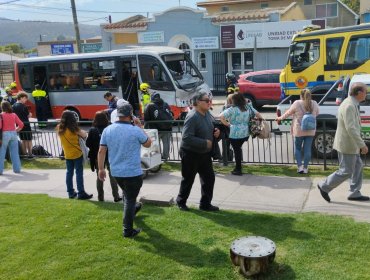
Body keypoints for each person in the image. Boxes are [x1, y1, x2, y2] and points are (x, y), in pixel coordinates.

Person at [98, 102, 152, 238]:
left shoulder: (107, 130)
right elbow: (148, 143)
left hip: (115, 172)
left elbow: (101, 150)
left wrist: (101, 169)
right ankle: (127, 229)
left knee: (128, 196)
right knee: (129, 199)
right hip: (133, 172)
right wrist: (140, 126)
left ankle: (133, 210)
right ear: (130, 115)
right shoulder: (135, 130)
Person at [317, 82, 369, 202]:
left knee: (358, 166)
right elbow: (351, 128)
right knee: (346, 171)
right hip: (348, 144)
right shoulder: (349, 105)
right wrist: (362, 145)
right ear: (359, 93)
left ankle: (354, 193)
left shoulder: (351, 103)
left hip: (350, 144)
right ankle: (324, 186)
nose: (366, 94)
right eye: (365, 91)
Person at [176, 92, 221, 212]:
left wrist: (217, 132)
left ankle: (205, 204)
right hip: (190, 153)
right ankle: (181, 202)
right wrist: (205, 143)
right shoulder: (192, 116)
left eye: (209, 100)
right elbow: (186, 137)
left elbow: (212, 127)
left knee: (209, 179)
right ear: (197, 102)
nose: (209, 102)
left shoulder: (207, 114)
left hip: (204, 154)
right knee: (188, 179)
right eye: (206, 100)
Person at [276, 89, 319, 174]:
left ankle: (300, 167)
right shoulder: (314, 103)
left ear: (301, 96)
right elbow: (317, 113)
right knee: (307, 150)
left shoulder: (297, 103)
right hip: (310, 130)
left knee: (298, 148)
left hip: (299, 130)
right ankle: (306, 168)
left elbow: (287, 113)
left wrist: (279, 118)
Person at [219, 93, 262, 175]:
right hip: (245, 132)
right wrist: (260, 122)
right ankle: (238, 168)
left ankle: (238, 169)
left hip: (234, 133)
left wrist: (227, 124)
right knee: (238, 149)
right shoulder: (248, 107)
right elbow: (258, 114)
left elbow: (221, 116)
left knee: (237, 150)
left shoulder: (232, 109)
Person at [86, 111, 122, 202]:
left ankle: (100, 197)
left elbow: (88, 143)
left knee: (99, 176)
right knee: (112, 175)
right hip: (110, 155)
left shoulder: (92, 130)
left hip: (97, 156)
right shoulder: (110, 128)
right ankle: (116, 196)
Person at [57, 110, 93, 200]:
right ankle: (81, 192)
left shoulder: (59, 128)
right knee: (79, 173)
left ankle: (70, 192)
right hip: (77, 153)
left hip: (67, 154)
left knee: (69, 173)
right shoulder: (74, 129)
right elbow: (84, 135)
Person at [144, 92, 173, 160]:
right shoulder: (165, 104)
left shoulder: (149, 106)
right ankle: (165, 157)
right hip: (167, 128)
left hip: (155, 129)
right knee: (166, 143)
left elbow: (146, 118)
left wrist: (145, 128)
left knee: (155, 144)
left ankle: (157, 158)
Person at [0, 101, 24, 175]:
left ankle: (0, 170)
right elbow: (21, 124)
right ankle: (17, 169)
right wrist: (16, 130)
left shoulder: (1, 115)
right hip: (13, 133)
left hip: (4, 134)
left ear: (2, 107)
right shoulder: (13, 114)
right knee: (15, 153)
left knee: (1, 153)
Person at [12, 92, 33, 158]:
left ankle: (24, 154)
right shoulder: (24, 106)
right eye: (25, 98)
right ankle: (30, 154)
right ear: (21, 98)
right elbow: (28, 115)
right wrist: (30, 114)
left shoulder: (13, 106)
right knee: (29, 140)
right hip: (26, 124)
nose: (26, 100)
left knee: (23, 140)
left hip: (19, 125)